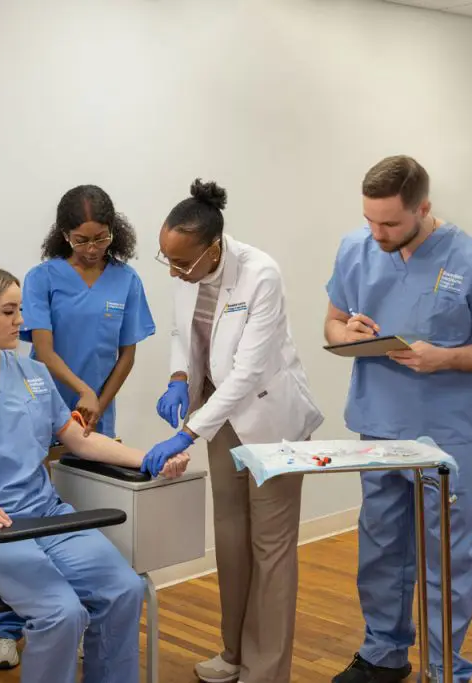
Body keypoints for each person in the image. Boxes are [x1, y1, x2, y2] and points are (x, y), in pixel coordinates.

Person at [0, 263, 190, 683]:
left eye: (19, 309)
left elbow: (79, 441)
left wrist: (152, 456)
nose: (21, 321)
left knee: (125, 590)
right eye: (9, 311)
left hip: (46, 516)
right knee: (60, 612)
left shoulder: (32, 374)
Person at [324, 155, 472, 683]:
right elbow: (335, 321)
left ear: (423, 208)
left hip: (445, 430)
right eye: (370, 220)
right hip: (377, 421)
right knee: (381, 544)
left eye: (389, 223)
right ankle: (383, 654)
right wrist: (348, 335)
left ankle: (443, 667)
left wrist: (447, 358)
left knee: (447, 553)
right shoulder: (355, 249)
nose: (378, 233)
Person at [146, 179, 325, 683]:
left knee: (270, 546)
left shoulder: (260, 274)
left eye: (183, 262)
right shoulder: (185, 270)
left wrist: (187, 434)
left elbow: (247, 372)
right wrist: (180, 376)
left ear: (214, 248)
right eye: (168, 261)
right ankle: (234, 653)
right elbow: (184, 332)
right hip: (220, 416)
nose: (175, 271)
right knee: (230, 537)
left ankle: (266, 671)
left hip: (271, 423)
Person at [0, 185, 156, 667]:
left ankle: (81, 617)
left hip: (97, 410)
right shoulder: (42, 278)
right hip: (41, 402)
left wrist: (98, 402)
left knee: (81, 512)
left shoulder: (126, 280)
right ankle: (6, 625)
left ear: (113, 232)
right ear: (63, 236)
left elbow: (127, 354)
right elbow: (44, 348)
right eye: (80, 239)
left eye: (99, 238)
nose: (91, 247)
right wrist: (82, 392)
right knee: (23, 506)